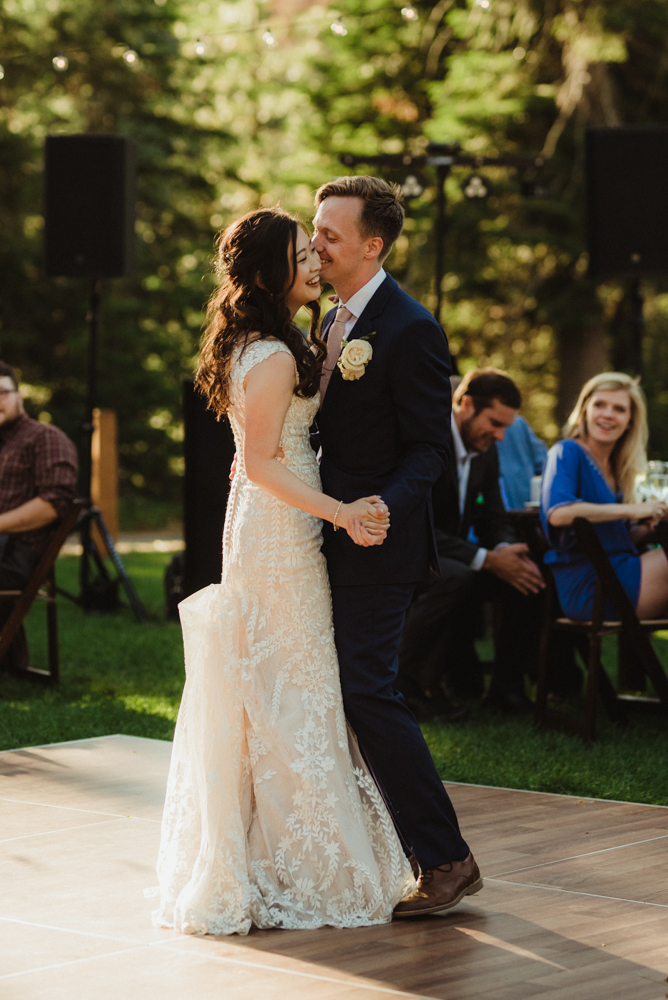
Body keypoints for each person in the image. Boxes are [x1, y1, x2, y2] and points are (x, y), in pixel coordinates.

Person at [155, 207, 416, 937]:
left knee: (285, 684)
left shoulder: (277, 341)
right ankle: (293, 864)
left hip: (278, 521)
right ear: (272, 271)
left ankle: (282, 851)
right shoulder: (269, 356)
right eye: (303, 253)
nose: (315, 262)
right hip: (279, 532)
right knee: (289, 685)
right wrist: (339, 512)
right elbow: (265, 462)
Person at [313, 175, 481, 919]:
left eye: (330, 234)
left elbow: (428, 450)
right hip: (322, 534)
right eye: (316, 229)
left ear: (371, 246)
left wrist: (380, 505)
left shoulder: (410, 328)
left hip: (377, 541)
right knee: (345, 691)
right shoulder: (328, 321)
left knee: (367, 690)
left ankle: (445, 859)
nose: (316, 242)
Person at [397, 368, 546, 713]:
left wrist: (507, 549)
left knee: (528, 578)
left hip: (455, 557)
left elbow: (495, 516)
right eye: (495, 423)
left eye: (506, 427)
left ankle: (506, 691)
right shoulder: (427, 440)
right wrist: (487, 559)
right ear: (466, 404)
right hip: (413, 555)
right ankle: (404, 686)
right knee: (454, 575)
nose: (500, 436)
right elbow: (417, 525)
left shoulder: (487, 450)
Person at [541, 372, 668, 621]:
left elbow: (611, 535)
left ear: (630, 420)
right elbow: (558, 513)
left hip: (622, 571)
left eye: (619, 409)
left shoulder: (618, 467)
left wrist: (646, 530)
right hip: (592, 584)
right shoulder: (566, 452)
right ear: (585, 409)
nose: (608, 414)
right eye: (600, 404)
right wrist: (633, 510)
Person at [0, 362, 78, 671]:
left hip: (16, 556)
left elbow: (54, 503)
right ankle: (11, 661)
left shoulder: (44, 438)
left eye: (2, 393)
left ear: (20, 396)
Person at [496, 413, 547, 510]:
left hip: (517, 505)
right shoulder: (517, 423)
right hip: (521, 501)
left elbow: (543, 462)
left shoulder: (516, 423)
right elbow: (543, 461)